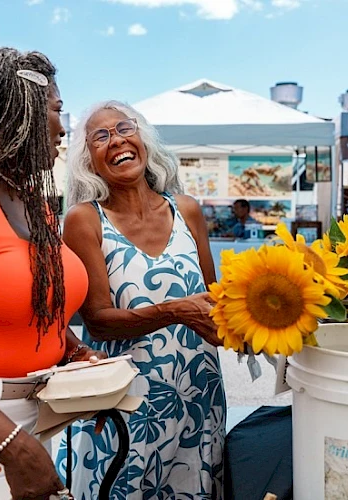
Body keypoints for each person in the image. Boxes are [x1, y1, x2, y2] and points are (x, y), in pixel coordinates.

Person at [0, 47, 105, 499]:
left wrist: (73, 353)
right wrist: (15, 450)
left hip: (27, 425)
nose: (63, 128)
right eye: (56, 109)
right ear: (19, 109)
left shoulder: (27, 199)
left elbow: (22, 306)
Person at [55, 100, 226, 499]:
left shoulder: (187, 211)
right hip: (125, 404)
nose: (117, 140)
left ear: (143, 141)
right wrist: (175, 312)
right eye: (101, 136)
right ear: (89, 162)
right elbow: (96, 320)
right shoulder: (84, 220)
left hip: (199, 398)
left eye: (124, 128)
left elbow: (215, 304)